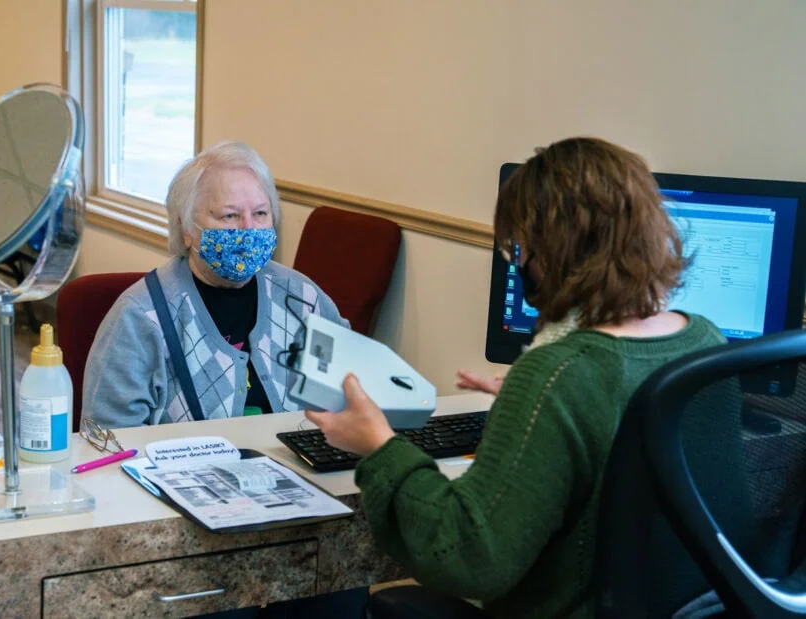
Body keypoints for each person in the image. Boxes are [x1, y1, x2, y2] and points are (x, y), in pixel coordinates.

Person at [305, 137, 726, 618]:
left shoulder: (558, 374)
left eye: (524, 246)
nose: (520, 261)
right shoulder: (703, 340)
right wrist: (535, 404)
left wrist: (378, 444)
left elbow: (468, 558)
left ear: (555, 250)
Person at [82, 141, 347, 428]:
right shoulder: (139, 316)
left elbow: (349, 395)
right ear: (186, 229)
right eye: (229, 215)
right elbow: (107, 439)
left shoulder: (303, 297)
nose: (248, 229)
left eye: (260, 213)